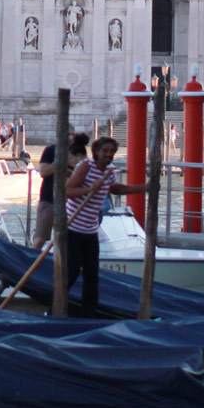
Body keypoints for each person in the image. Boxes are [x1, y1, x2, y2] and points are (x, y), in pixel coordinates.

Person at [65, 135, 119, 317]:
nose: (108, 155)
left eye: (111, 152)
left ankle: (89, 311)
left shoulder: (110, 171)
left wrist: (144, 188)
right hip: (72, 227)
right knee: (71, 271)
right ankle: (55, 305)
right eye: (105, 151)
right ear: (96, 152)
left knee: (92, 274)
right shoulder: (86, 167)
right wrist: (89, 189)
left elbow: (115, 189)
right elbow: (67, 191)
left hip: (90, 229)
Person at [33, 132, 88, 245]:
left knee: (65, 238)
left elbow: (82, 172)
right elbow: (43, 172)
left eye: (71, 135)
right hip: (48, 198)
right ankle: (34, 258)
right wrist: (59, 163)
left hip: (71, 202)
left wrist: (70, 167)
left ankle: (62, 261)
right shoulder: (50, 150)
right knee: (39, 239)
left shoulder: (80, 151)